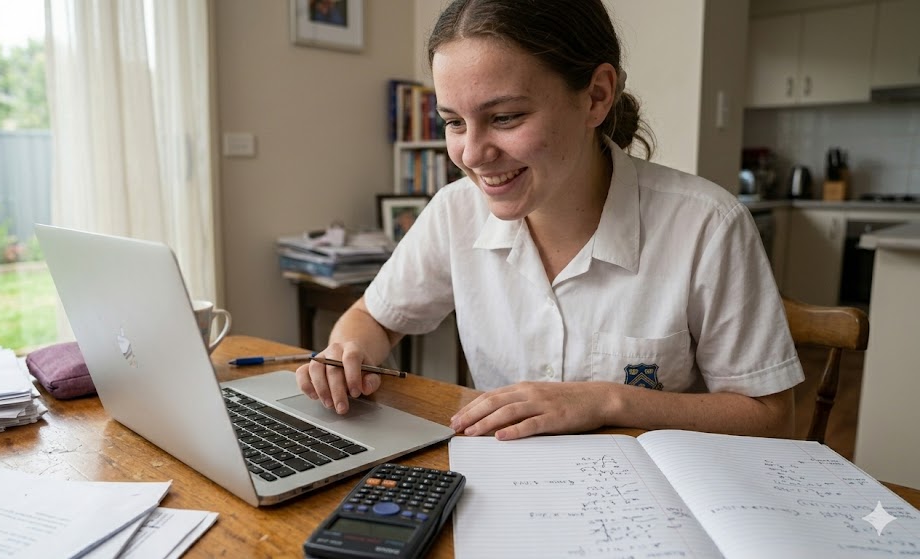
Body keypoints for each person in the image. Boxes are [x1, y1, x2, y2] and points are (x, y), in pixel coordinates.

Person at [296, 0, 803, 441]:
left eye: (505, 117)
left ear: (597, 96)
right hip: (504, 485)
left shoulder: (708, 225)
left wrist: (608, 402)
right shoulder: (454, 213)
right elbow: (374, 318)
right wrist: (346, 356)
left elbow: (772, 418)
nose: (472, 154)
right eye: (453, 122)